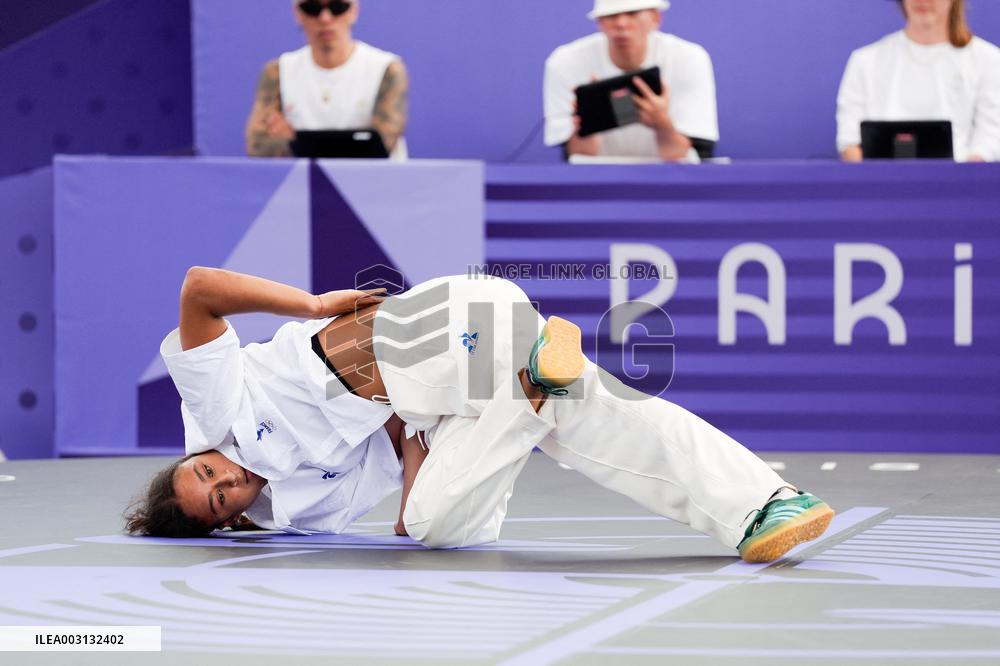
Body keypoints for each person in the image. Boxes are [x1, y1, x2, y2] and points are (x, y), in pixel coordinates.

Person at [125, 267, 834, 564]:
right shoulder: (303, 507)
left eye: (207, 468)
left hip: (431, 332)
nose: (228, 475)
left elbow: (200, 289)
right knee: (442, 521)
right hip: (442, 397)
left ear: (196, 451)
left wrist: (312, 305)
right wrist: (424, 498)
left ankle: (528, 390)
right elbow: (404, 443)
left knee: (537, 421)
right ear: (235, 520)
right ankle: (766, 504)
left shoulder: (213, 405)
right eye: (222, 498)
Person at [543, 0, 719, 162]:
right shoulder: (566, 62)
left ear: (655, 17)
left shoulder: (689, 59)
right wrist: (588, 122)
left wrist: (662, 124)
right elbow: (578, 157)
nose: (621, 24)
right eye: (611, 16)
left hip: (667, 183)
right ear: (600, 22)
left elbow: (687, 158)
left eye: (632, 13)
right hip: (598, 182)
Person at [836, 0, 1000, 162]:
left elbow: (990, 140)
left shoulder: (988, 60)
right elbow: (850, 142)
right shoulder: (865, 61)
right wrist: (877, 180)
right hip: (880, 185)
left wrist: (957, 182)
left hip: (960, 184)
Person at [244, 0, 408, 159]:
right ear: (297, 13)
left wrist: (293, 139)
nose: (325, 18)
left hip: (375, 183)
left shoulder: (386, 69)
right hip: (304, 183)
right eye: (312, 8)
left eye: (337, 7)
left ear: (354, 11)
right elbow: (258, 146)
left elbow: (381, 147)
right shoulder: (278, 72)